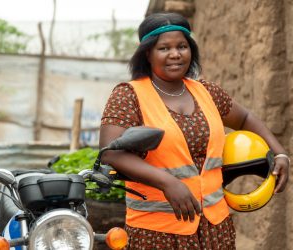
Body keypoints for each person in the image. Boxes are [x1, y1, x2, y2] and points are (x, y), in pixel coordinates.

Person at [99, 12, 289, 249]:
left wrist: (279, 152)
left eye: (182, 46)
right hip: (158, 231)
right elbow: (110, 153)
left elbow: (246, 117)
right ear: (147, 53)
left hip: (215, 226)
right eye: (164, 48)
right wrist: (167, 182)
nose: (175, 54)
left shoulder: (206, 91)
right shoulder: (129, 95)